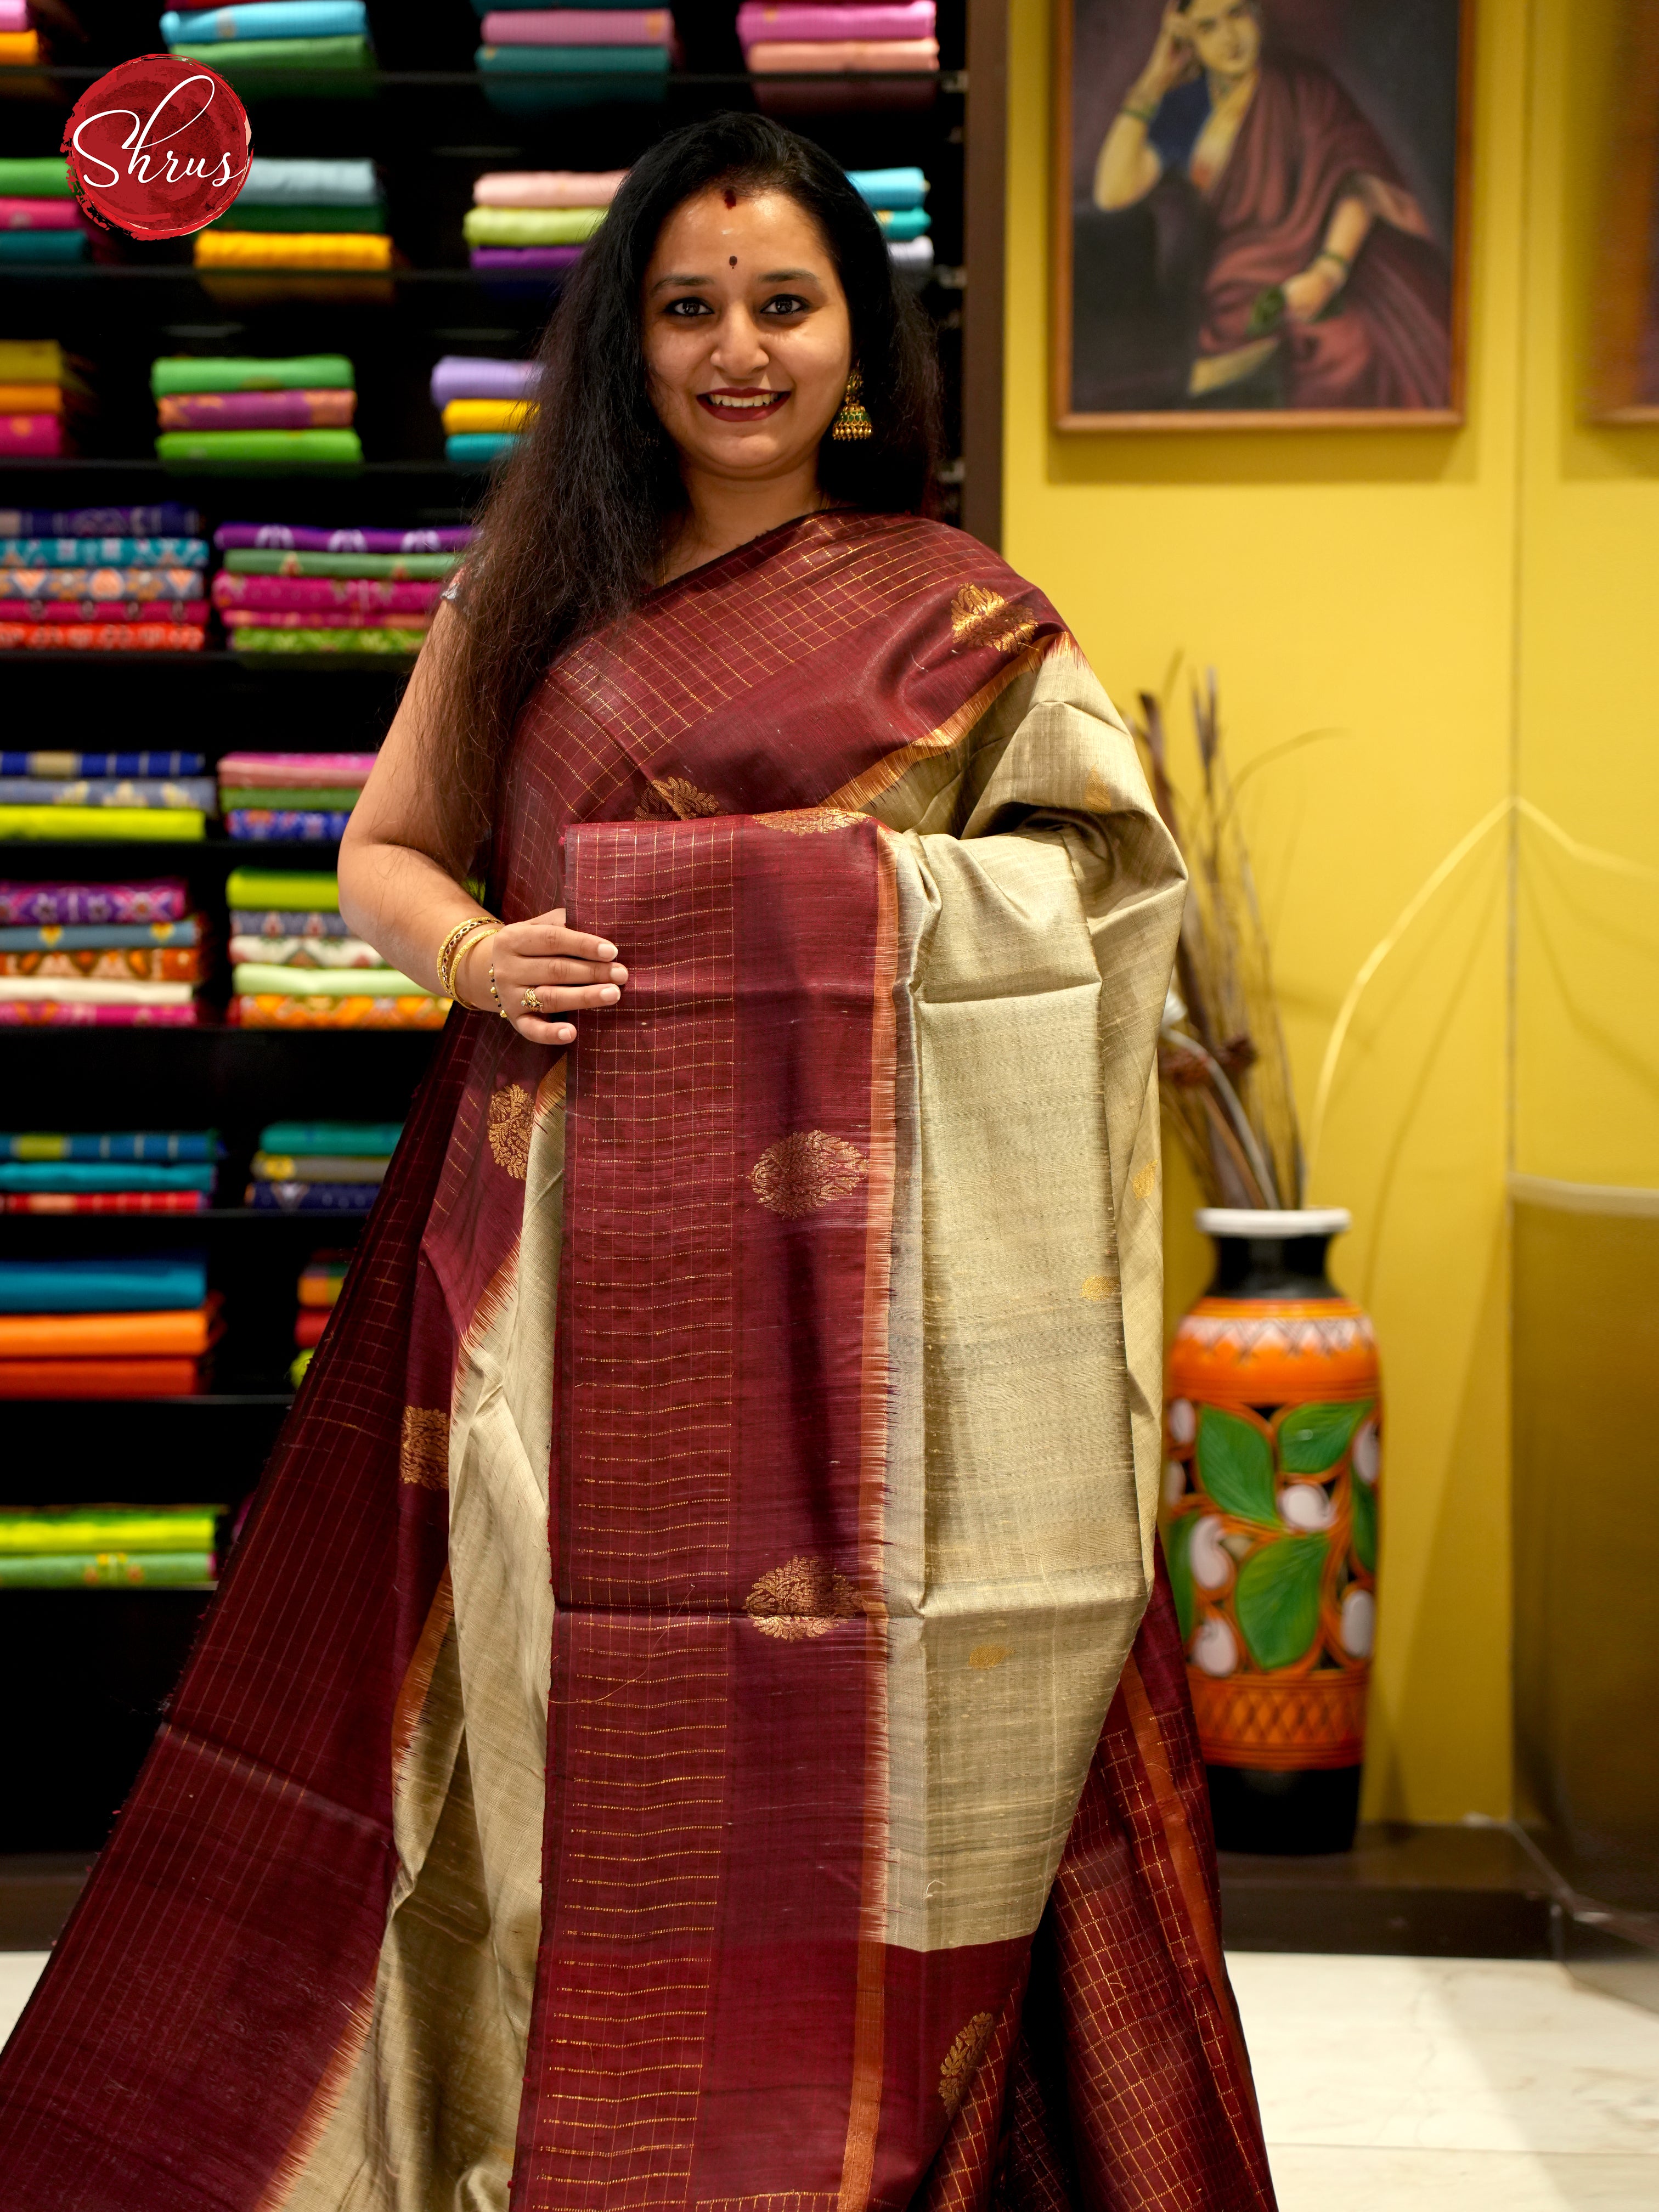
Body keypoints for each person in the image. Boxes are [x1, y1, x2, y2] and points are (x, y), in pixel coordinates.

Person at [0, 115, 1276, 2212]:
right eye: (688, 307)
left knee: (866, 1710)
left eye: (781, 304)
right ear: (628, 340)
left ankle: (849, 2137)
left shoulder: (955, 621)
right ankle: (534, 2131)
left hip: (870, 1304)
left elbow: (1100, 895)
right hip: (551, 1260)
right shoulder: (541, 579)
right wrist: (484, 946)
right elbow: (382, 849)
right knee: (534, 1703)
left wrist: (803, 903)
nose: (736, 349)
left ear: (855, 340)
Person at [1093, 0, 1451, 409]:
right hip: (1234, 295)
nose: (1229, 37)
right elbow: (1112, 193)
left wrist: (1327, 272)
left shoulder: (1306, 88)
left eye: (1236, 14)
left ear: (1257, 16)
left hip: (1327, 272)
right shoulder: (1187, 108)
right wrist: (1154, 81)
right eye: (1208, 28)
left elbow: (1357, 184)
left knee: (1351, 349)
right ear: (1186, 40)